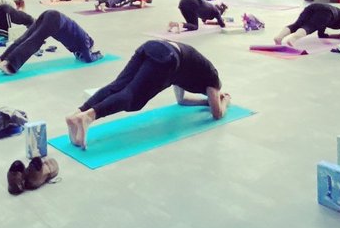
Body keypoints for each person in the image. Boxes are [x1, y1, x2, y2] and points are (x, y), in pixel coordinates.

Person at [65, 40, 229, 149]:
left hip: (153, 46)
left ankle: (76, 114)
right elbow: (217, 114)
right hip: (168, 57)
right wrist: (225, 100)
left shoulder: (194, 72)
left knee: (117, 86)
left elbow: (181, 100)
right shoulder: (213, 79)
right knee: (133, 98)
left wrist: (205, 102)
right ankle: (89, 116)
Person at [0, 10, 102, 75]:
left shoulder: (80, 40)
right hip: (55, 20)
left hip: (51, 15)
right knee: (34, 41)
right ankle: (8, 65)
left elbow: (78, 54)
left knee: (25, 37)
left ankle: (1, 59)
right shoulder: (86, 41)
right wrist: (98, 55)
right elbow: (88, 59)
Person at [274, 2, 340, 46]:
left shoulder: (337, 15)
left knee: (297, 24)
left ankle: (279, 37)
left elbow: (321, 35)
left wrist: (337, 36)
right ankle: (292, 39)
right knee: (310, 27)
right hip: (327, 12)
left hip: (314, 6)